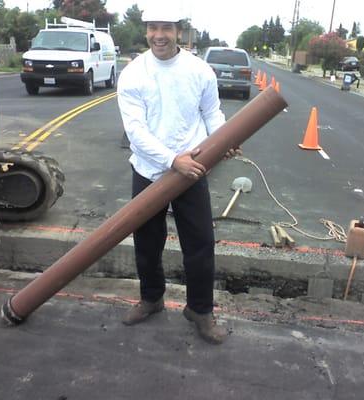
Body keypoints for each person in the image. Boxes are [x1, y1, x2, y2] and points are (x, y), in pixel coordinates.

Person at [116, 7, 240, 345]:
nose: (159, 34)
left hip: (192, 171)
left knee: (199, 243)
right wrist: (173, 160)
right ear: (145, 32)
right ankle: (151, 299)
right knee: (147, 242)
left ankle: (200, 310)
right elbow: (136, 131)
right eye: (153, 28)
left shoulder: (199, 71)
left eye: (166, 28)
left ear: (179, 32)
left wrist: (222, 139)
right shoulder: (133, 74)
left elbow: (211, 112)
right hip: (149, 169)